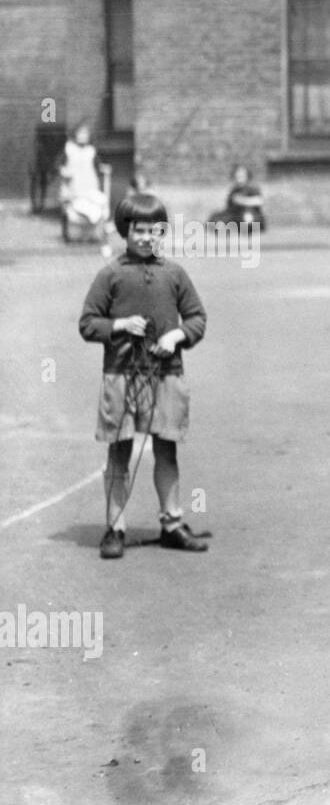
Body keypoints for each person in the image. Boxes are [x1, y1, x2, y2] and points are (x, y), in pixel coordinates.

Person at [79, 193, 209, 559]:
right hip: (121, 374)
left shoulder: (174, 273)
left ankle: (172, 523)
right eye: (139, 230)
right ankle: (115, 528)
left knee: (166, 450)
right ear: (125, 231)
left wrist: (177, 335)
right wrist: (119, 324)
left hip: (167, 373)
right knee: (119, 452)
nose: (147, 238)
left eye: (155, 230)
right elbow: (88, 323)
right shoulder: (111, 275)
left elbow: (197, 317)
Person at [58, 121, 110, 237]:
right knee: (78, 204)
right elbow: (60, 165)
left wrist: (104, 168)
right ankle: (78, 229)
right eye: (80, 133)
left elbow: (98, 165)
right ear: (75, 134)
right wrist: (64, 172)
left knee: (101, 201)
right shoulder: (69, 149)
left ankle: (97, 229)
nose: (83, 136)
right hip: (75, 188)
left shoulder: (91, 150)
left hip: (90, 186)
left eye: (85, 133)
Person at [210, 163, 267, 230]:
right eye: (237, 175)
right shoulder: (234, 190)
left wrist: (243, 201)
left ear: (247, 175)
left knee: (247, 217)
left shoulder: (252, 188)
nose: (239, 176)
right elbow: (229, 208)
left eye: (241, 175)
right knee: (217, 217)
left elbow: (259, 201)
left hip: (250, 214)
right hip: (235, 215)